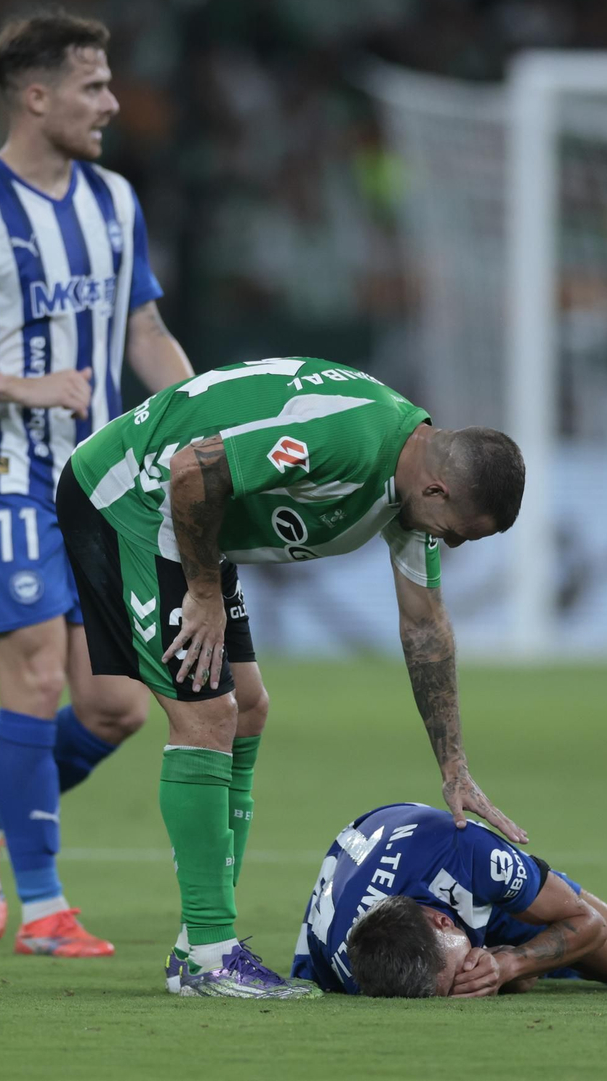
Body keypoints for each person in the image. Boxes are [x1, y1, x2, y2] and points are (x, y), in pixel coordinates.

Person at [0, 9, 227, 958]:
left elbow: (144, 333)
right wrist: (15, 384)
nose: (113, 102)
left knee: (113, 704)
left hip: (99, 484)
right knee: (35, 678)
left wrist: (207, 420)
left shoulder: (117, 204)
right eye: (94, 86)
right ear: (36, 97)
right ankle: (43, 909)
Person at [57, 355, 527, 998]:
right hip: (130, 502)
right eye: (457, 534)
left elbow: (425, 628)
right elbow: (195, 469)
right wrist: (202, 591)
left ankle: (200, 946)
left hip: (198, 527)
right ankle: (209, 956)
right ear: (439, 490)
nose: (450, 545)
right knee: (208, 717)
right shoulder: (352, 439)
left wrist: (454, 767)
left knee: (247, 708)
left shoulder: (410, 484)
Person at [291, 801, 607, 997]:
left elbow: (588, 921)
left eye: (462, 973)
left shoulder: (466, 854)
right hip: (428, 899)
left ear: (443, 922)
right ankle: (544, 963)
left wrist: (511, 964)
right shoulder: (356, 973)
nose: (466, 981)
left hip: (467, 884)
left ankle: (541, 960)